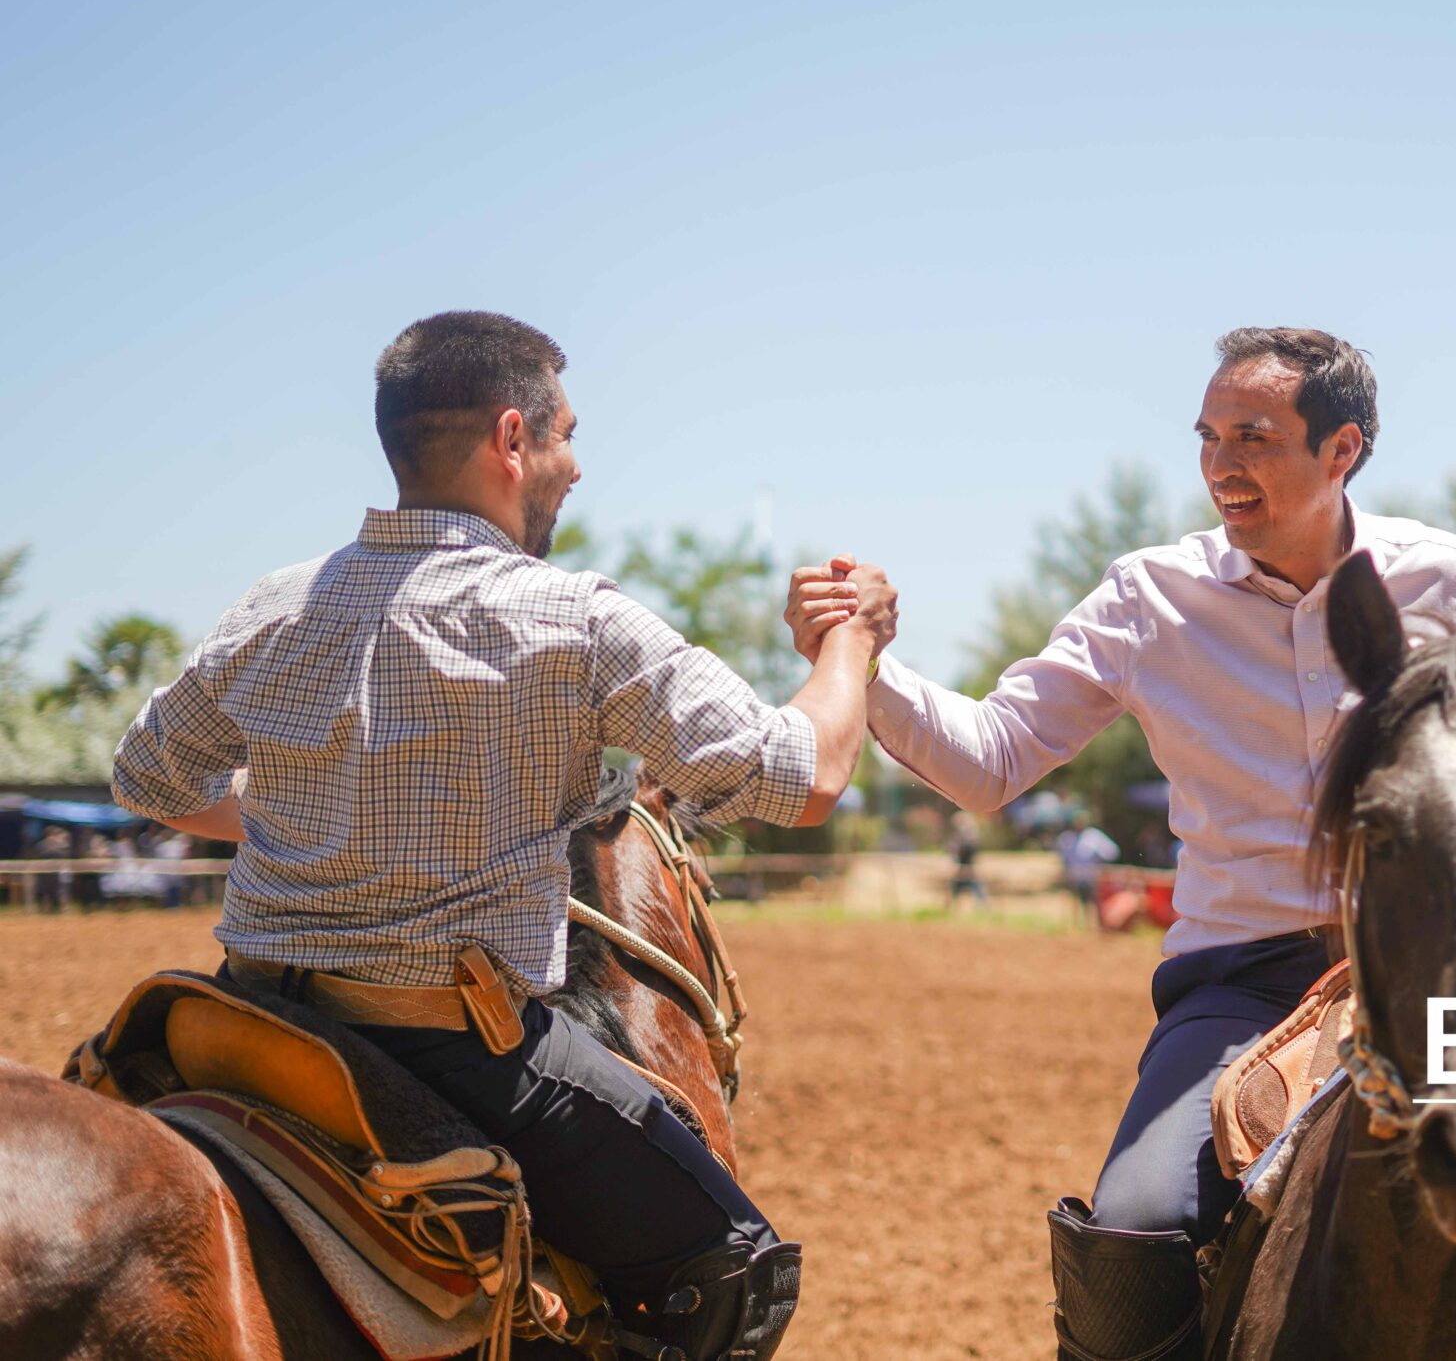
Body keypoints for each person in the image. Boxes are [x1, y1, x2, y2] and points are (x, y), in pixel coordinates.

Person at [788, 326, 1456, 1361]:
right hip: (1244, 984)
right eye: (1208, 437)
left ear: (1342, 449)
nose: (1221, 465)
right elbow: (990, 759)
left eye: (1254, 437)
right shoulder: (1146, 600)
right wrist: (859, 660)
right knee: (1133, 1225)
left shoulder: (1447, 581)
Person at [110, 311, 895, 1361]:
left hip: (242, 1015)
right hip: (450, 1047)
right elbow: (801, 776)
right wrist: (849, 641)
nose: (576, 466)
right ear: (512, 437)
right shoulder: (571, 620)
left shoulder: (274, 606)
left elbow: (149, 778)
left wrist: (313, 815)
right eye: (568, 435)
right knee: (735, 1269)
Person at [1056, 818, 1117, 923]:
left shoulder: (1094, 836)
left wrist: (1099, 856)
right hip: (1075, 876)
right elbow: (1063, 856)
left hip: (1092, 876)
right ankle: (1076, 925)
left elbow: (1111, 852)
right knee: (1076, 901)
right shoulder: (1067, 838)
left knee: (1093, 902)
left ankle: (1094, 925)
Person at [945, 807, 990, 909]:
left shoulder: (969, 837)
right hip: (963, 868)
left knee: (974, 888)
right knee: (957, 888)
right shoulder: (961, 837)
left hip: (967, 868)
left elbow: (971, 853)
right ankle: (948, 908)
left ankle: (985, 907)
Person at [31, 825, 66, 914]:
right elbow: (36, 858)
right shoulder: (41, 845)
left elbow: (63, 856)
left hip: (54, 873)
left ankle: (56, 910)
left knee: (55, 892)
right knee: (44, 892)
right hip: (44, 874)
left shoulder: (59, 845)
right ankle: (44, 910)